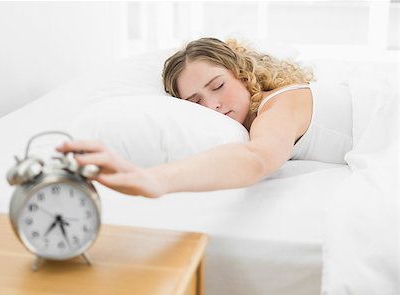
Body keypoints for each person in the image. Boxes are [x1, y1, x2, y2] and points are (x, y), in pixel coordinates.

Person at [56, 37, 352, 198]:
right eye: (196, 102)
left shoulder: (279, 106)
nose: (214, 106)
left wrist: (155, 180)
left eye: (218, 86)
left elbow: (256, 159)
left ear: (243, 74)